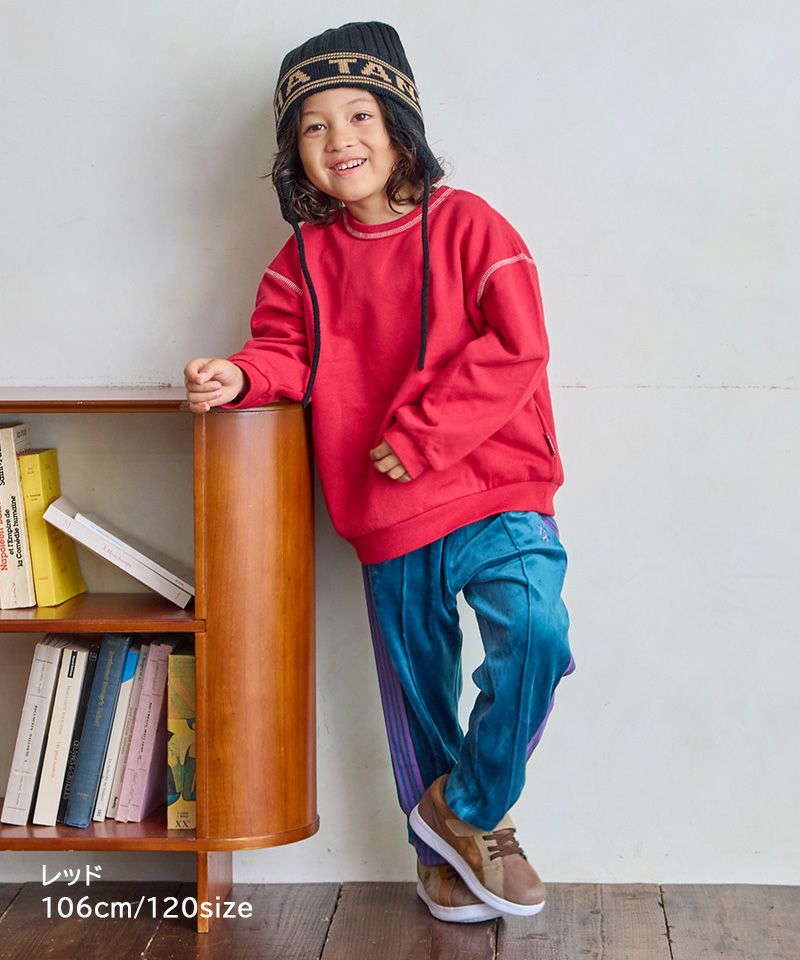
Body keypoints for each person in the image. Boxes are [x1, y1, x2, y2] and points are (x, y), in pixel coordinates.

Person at [184, 21, 576, 924]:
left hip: (497, 489)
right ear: (294, 153)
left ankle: (465, 809)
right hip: (387, 514)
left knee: (538, 637)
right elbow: (286, 349)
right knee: (418, 692)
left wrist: (426, 434)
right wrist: (240, 377)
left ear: (401, 124)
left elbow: (519, 347)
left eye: (359, 114)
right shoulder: (303, 260)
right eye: (313, 126)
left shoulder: (474, 225)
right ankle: (442, 858)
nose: (339, 139)